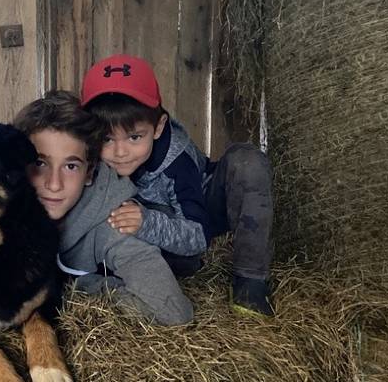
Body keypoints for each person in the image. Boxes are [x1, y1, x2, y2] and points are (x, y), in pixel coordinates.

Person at [80, 54, 273, 317]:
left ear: (158, 127)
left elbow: (198, 236)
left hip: (193, 218)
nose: (120, 152)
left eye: (135, 137)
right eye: (106, 139)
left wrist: (147, 223)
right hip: (141, 228)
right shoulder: (86, 159)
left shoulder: (176, 163)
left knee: (248, 162)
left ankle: (249, 280)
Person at [13, 90, 193, 326]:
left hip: (185, 243)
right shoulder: (1, 205)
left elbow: (173, 312)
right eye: (40, 163)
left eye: (70, 166)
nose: (54, 184)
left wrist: (78, 288)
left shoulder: (113, 222)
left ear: (89, 172)